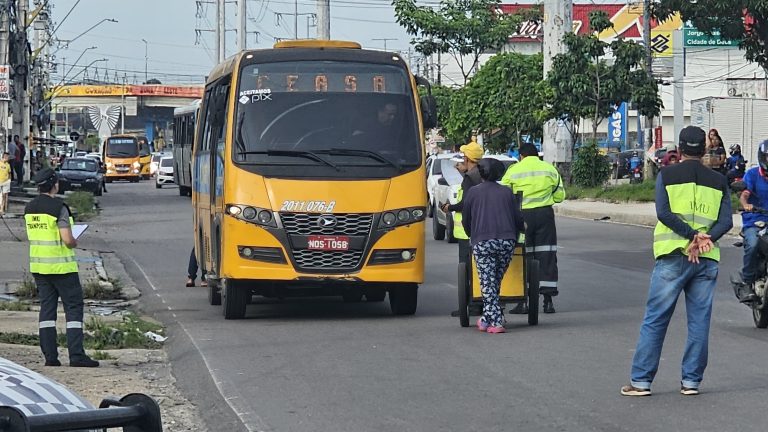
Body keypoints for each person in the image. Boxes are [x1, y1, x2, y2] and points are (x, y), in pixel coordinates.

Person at [621, 126, 732, 397]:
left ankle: (641, 382)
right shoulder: (719, 181)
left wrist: (691, 236)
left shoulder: (667, 175)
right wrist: (704, 239)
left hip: (673, 256)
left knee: (656, 320)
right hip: (706, 259)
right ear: (704, 149)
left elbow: (664, 213)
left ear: (679, 150)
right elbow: (726, 221)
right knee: (699, 322)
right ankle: (691, 382)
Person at [24, 168, 99, 368]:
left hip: (39, 267)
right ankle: (76, 355)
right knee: (73, 310)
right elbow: (67, 239)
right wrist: (74, 241)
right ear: (54, 184)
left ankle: (50, 357)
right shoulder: (59, 207)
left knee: (47, 311)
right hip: (61, 267)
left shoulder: (29, 207)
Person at [462, 158, 525, 334]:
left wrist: (471, 235)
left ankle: (496, 321)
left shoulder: (473, 193)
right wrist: (522, 230)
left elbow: (466, 219)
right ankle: (486, 318)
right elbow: (517, 218)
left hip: (483, 242)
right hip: (506, 242)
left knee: (487, 282)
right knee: (494, 280)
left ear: (480, 173)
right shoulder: (506, 192)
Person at [501, 143, 565, 314]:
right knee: (547, 255)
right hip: (545, 215)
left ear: (521, 156)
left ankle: (524, 302)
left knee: (524, 255)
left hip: (523, 218)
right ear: (537, 155)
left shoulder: (514, 170)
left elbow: (504, 196)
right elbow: (560, 196)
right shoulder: (550, 169)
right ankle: (548, 301)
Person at [735, 140, 768, 304]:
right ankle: (747, 282)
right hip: (755, 220)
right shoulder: (753, 174)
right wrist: (746, 205)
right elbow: (744, 194)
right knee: (754, 243)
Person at [442, 141, 483, 265]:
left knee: (466, 265)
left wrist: (449, 207)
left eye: (464, 156)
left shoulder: (469, 178)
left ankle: (468, 284)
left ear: (467, 158)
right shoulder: (481, 173)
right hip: (479, 227)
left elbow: (465, 203)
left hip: (467, 230)